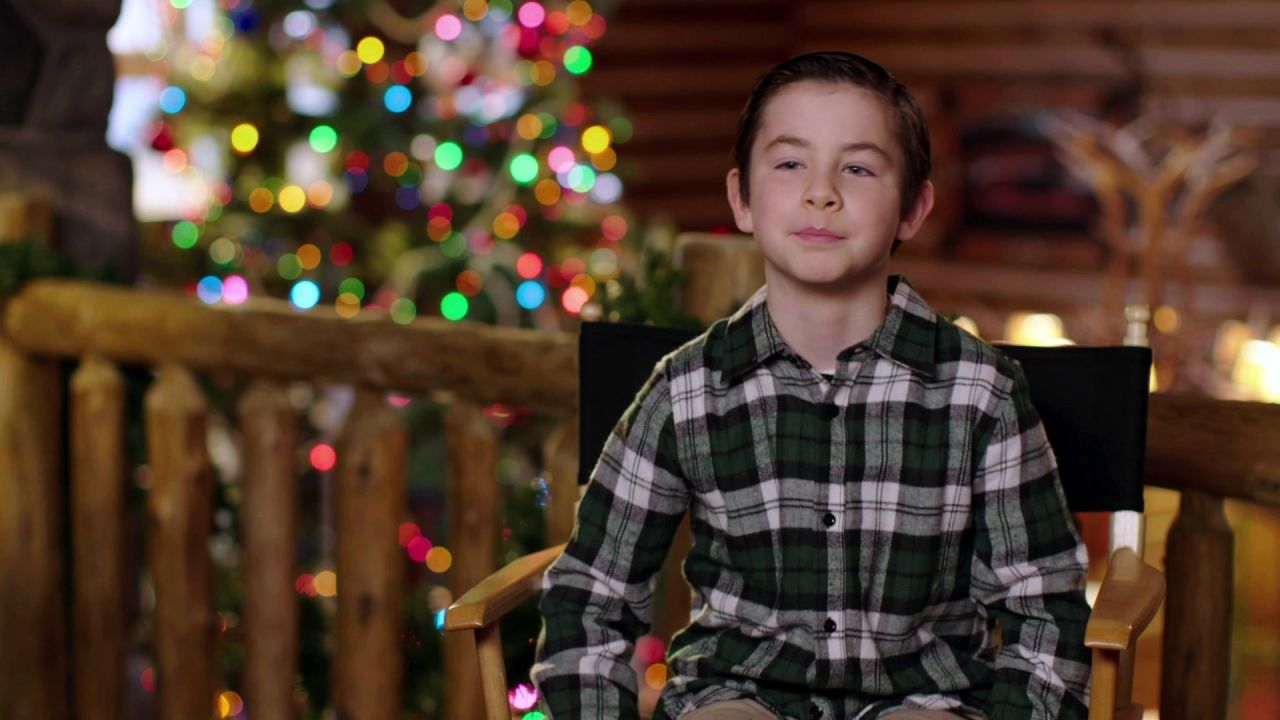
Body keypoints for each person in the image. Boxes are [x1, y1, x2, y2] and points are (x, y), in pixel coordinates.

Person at [532, 51, 1091, 720]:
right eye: (791, 163)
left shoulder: (982, 391)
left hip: (927, 696)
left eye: (857, 168)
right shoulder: (687, 389)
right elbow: (591, 594)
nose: (820, 192)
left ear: (913, 208)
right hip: (739, 691)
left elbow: (1043, 608)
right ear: (742, 198)